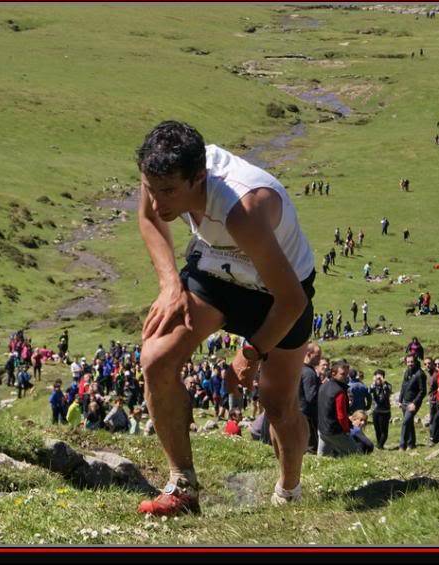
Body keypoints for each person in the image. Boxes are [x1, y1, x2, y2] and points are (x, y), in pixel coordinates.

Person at [135, 121, 316, 515]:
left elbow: (292, 300)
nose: (157, 200)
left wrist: (250, 353)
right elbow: (149, 219)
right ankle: (182, 486)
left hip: (277, 292)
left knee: (277, 403)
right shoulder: (161, 172)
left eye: (167, 192)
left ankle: (289, 489)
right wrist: (170, 286)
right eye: (150, 188)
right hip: (217, 269)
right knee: (156, 359)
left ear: (199, 177)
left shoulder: (243, 209)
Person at [316, 360, 360, 457]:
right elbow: (341, 416)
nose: (346, 377)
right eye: (343, 374)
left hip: (322, 429)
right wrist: (346, 430)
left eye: (347, 374)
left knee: (322, 459)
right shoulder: (339, 392)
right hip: (334, 431)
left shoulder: (323, 386)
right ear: (333, 373)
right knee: (356, 454)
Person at [397, 354, 427, 451]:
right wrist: (400, 400)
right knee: (409, 423)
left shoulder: (420, 374)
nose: (410, 364)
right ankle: (411, 444)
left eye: (411, 362)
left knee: (405, 422)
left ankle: (402, 445)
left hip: (413, 403)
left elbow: (423, 391)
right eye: (408, 362)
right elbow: (403, 387)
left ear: (415, 362)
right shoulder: (407, 372)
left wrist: (414, 403)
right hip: (404, 402)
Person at [299, 342, 321, 453]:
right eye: (317, 356)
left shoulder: (298, 369)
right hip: (308, 414)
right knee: (312, 444)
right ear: (308, 354)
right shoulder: (309, 373)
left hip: (298, 410)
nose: (319, 359)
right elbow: (311, 396)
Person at [369, 369, 393, 449]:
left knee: (384, 430)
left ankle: (380, 445)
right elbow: (369, 391)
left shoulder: (387, 385)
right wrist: (374, 382)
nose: (378, 379)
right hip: (375, 411)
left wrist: (383, 383)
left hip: (384, 411)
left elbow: (388, 391)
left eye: (380, 377)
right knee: (377, 429)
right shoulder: (373, 386)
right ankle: (379, 444)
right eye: (377, 377)